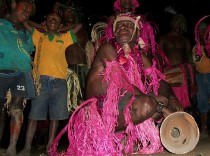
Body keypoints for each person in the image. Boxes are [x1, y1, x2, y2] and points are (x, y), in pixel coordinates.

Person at [49, 13, 182, 156]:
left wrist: (172, 99)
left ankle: (125, 139)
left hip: (123, 104)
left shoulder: (139, 56)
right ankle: (107, 139)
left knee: (162, 99)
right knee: (149, 105)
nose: (123, 27)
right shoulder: (107, 49)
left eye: (128, 25)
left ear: (137, 33)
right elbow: (124, 82)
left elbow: (158, 80)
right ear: (114, 32)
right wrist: (161, 108)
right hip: (99, 112)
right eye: (119, 25)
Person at [17, 11, 79, 156]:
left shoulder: (64, 37)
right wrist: (43, 28)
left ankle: (50, 147)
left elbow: (78, 25)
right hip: (41, 81)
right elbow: (26, 22)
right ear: (45, 21)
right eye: (50, 18)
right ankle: (26, 147)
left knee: (55, 117)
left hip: (60, 82)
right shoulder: (39, 36)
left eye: (56, 19)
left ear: (61, 25)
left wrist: (59, 29)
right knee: (33, 115)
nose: (53, 20)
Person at [0, 0, 36, 155]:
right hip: (2, 70)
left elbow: (31, 48)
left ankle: (12, 147)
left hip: (22, 72)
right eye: (25, 8)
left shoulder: (25, 32)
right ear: (13, 4)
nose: (27, 12)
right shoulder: (1, 24)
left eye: (29, 12)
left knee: (17, 108)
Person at [54, 2, 90, 111]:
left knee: (87, 103)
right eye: (67, 11)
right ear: (62, 14)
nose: (70, 13)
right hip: (69, 71)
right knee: (71, 104)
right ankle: (71, 127)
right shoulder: (59, 29)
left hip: (85, 70)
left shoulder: (82, 30)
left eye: (72, 11)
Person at [159, 14, 196, 110]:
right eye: (177, 22)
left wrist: (194, 81)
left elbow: (190, 59)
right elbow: (158, 56)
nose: (178, 25)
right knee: (171, 96)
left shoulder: (185, 40)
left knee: (183, 98)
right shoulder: (164, 38)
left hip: (183, 71)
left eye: (181, 23)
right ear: (172, 23)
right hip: (168, 71)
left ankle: (182, 118)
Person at [192, 17, 210, 138]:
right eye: (200, 30)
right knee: (202, 104)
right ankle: (203, 129)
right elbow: (194, 64)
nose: (201, 32)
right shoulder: (195, 48)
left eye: (204, 29)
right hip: (200, 77)